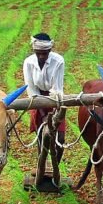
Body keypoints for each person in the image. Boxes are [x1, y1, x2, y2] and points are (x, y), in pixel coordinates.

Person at [23, 32, 65, 163]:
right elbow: (31, 89)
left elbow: (56, 88)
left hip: (55, 99)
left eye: (44, 53)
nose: (41, 56)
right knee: (41, 136)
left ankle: (55, 166)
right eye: (38, 53)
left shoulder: (58, 61)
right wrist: (42, 115)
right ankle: (41, 165)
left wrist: (53, 115)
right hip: (37, 100)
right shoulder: (29, 62)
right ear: (34, 50)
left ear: (50, 50)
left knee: (60, 139)